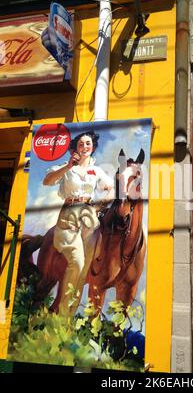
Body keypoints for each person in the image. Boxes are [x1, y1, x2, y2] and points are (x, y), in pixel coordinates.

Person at [43, 130, 114, 315]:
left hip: (89, 216)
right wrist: (67, 166)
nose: (84, 147)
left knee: (82, 274)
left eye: (88, 144)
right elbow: (47, 181)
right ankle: (61, 312)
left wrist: (99, 205)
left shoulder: (96, 171)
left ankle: (68, 318)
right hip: (69, 215)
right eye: (81, 144)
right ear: (75, 148)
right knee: (78, 262)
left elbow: (111, 190)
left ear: (93, 147)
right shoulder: (67, 168)